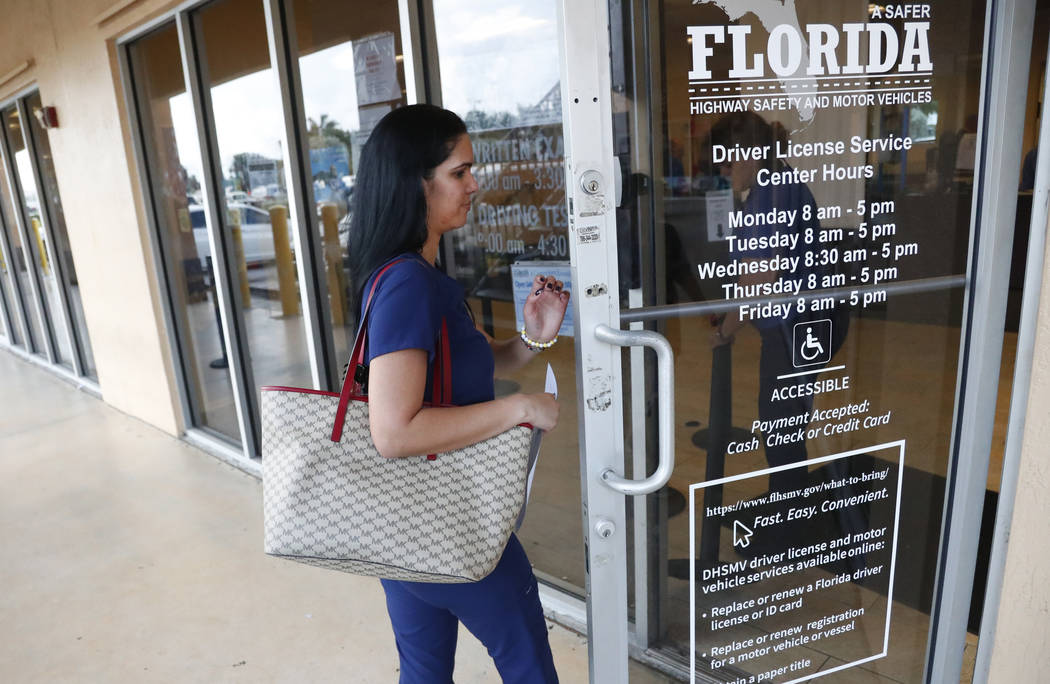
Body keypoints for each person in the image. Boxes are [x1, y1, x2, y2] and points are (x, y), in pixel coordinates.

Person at [345, 104, 569, 684]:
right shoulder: (407, 286)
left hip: (406, 525)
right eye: (459, 172)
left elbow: (458, 370)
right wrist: (519, 407)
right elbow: (395, 432)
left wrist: (529, 340)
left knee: (423, 674)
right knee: (529, 669)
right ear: (415, 182)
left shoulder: (413, 275)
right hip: (455, 522)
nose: (474, 185)